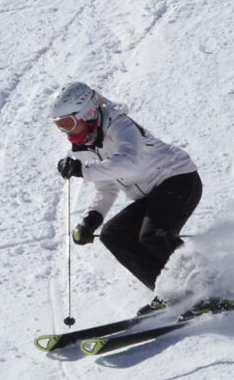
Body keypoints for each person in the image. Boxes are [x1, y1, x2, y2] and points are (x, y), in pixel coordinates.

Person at [49, 82, 203, 315]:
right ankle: (170, 293)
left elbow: (130, 162)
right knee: (113, 235)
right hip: (152, 193)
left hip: (178, 178)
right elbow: (106, 187)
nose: (66, 132)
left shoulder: (119, 124)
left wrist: (83, 170)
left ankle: (207, 286)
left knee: (153, 235)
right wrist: (92, 219)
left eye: (68, 123)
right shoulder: (83, 146)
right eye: (59, 126)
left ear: (87, 113)